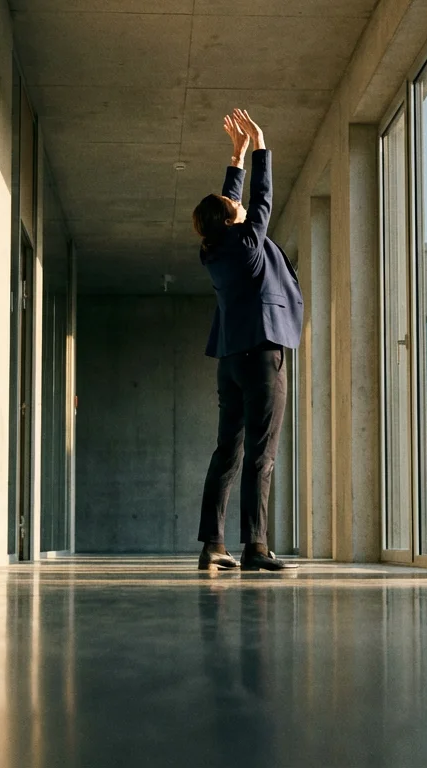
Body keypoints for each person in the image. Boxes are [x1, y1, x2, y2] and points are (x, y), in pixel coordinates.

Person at [191, 109, 304, 572]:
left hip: (231, 360)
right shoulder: (245, 243)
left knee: (228, 452)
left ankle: (214, 546)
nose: (233, 204)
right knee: (263, 452)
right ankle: (256, 547)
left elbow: (233, 205)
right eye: (229, 203)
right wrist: (260, 147)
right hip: (262, 357)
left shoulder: (215, 249)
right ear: (231, 219)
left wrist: (234, 158)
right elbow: (260, 202)